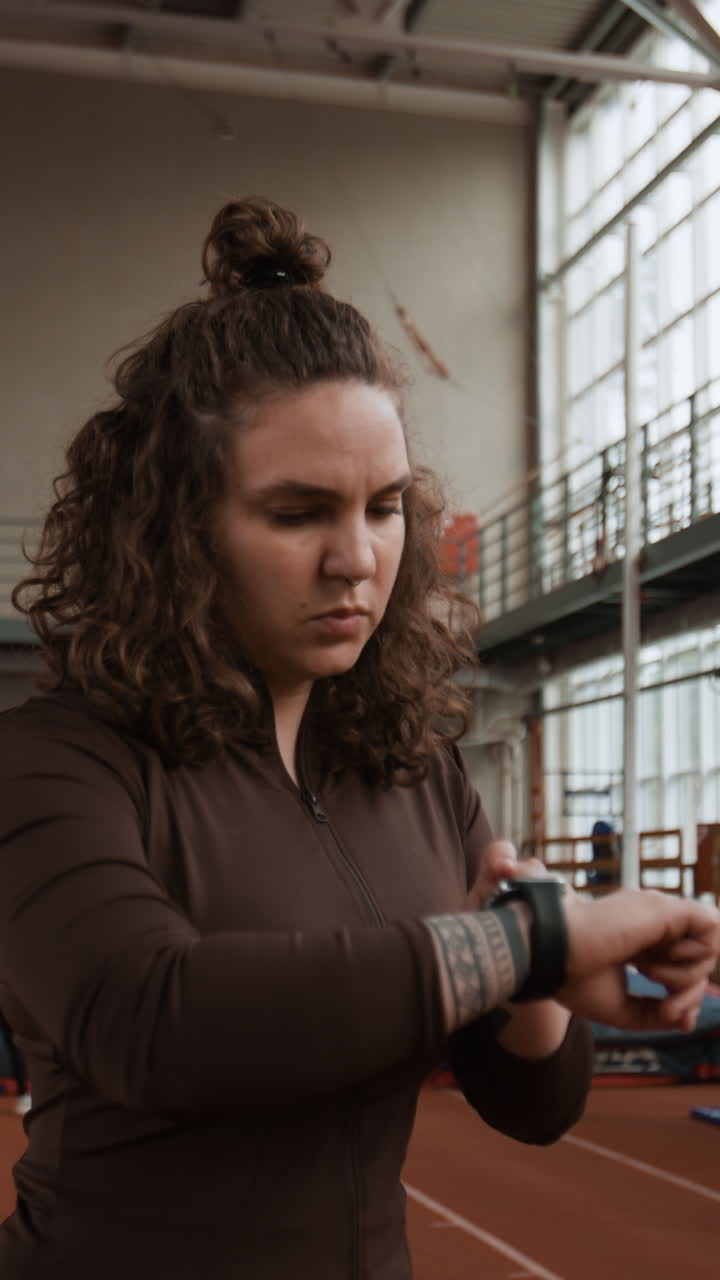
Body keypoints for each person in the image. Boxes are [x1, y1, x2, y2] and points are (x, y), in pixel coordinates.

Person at [0, 196, 717, 1280]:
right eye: (297, 513)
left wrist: (534, 987)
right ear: (174, 527)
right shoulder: (60, 758)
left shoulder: (413, 766)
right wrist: (533, 942)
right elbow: (148, 1018)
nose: (357, 559)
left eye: (383, 506)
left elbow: (533, 1100)